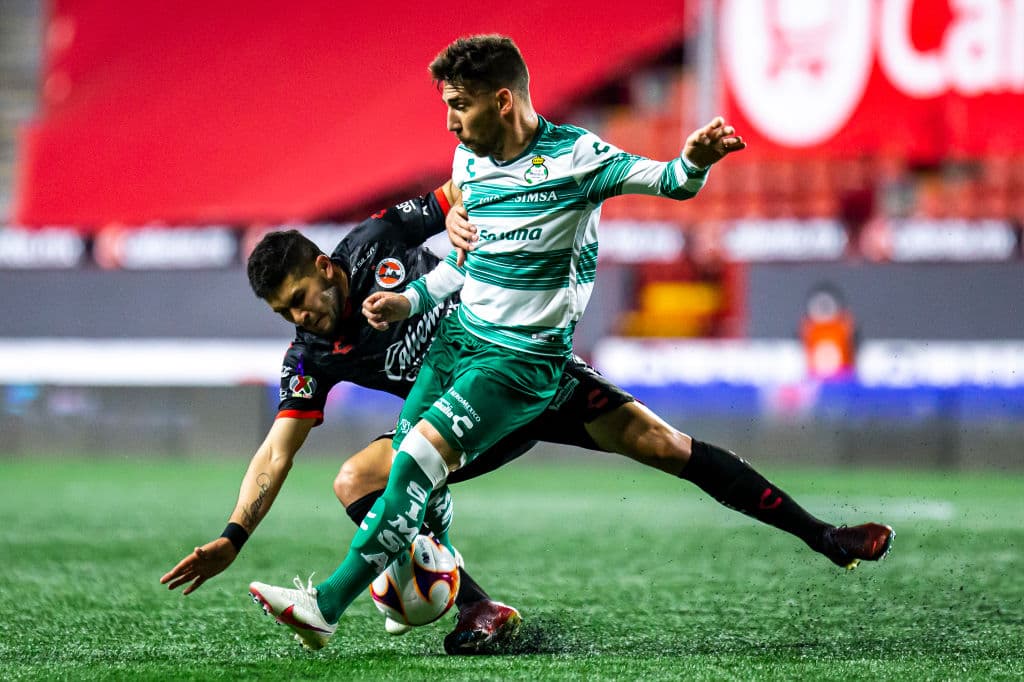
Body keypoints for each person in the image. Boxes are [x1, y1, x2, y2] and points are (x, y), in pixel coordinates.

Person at [244, 34, 894, 653]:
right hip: (458, 346)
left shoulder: (578, 159)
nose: (449, 122)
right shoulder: (469, 162)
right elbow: (465, 263)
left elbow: (672, 181)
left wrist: (695, 160)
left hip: (523, 363)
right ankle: (443, 586)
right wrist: (412, 300)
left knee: (655, 447)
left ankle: (824, 536)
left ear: (502, 100)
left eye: (459, 105)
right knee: (412, 476)